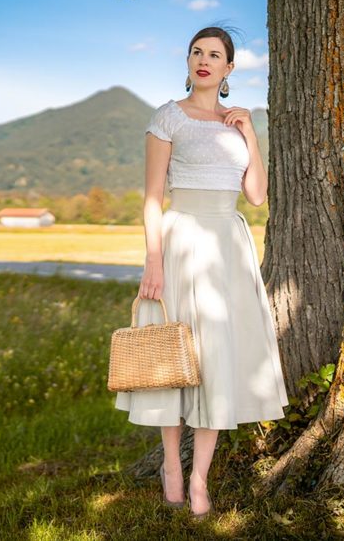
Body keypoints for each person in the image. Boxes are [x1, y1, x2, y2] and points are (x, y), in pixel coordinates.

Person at [114, 26, 289, 519]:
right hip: (181, 241)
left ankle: (199, 480)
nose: (204, 60)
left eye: (215, 54)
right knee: (173, 356)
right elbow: (151, 197)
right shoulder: (169, 117)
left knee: (217, 359)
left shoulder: (238, 123)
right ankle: (171, 466)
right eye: (197, 52)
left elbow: (256, 194)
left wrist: (250, 134)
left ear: (230, 68)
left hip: (228, 245)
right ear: (188, 61)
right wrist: (153, 260)